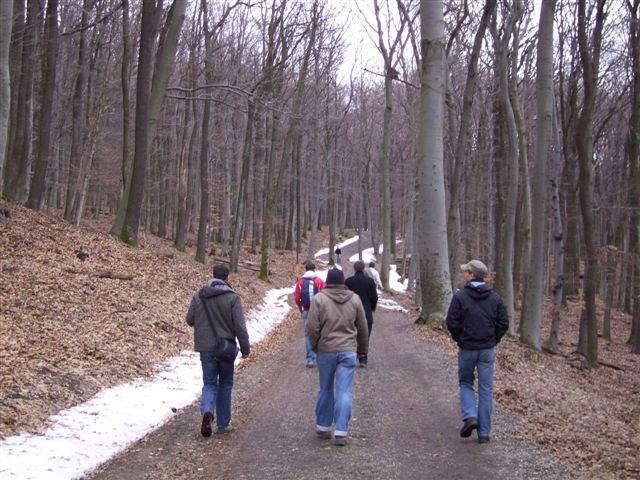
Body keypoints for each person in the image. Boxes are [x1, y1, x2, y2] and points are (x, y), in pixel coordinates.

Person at [445, 260, 509, 444]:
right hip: (487, 349)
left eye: (466, 271)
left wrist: (460, 338)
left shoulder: (460, 297)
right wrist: (493, 339)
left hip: (467, 348)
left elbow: (452, 322)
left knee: (466, 382)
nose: (463, 273)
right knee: (486, 389)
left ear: (472, 275)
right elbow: (503, 323)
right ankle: (484, 433)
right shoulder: (495, 298)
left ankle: (470, 416)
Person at [186, 264, 250, 437]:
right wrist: (245, 348)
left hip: (205, 347)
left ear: (213, 276)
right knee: (226, 383)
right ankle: (223, 423)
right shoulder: (232, 297)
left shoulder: (199, 295)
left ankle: (208, 411)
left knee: (209, 383)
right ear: (227, 278)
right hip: (226, 348)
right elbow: (240, 327)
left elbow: (189, 319)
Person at [306, 268, 368, 446]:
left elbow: (312, 327)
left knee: (325, 388)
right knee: (344, 390)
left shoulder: (319, 299)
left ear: (327, 281)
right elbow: (363, 327)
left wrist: (316, 346)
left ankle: (324, 427)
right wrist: (362, 350)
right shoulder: (354, 299)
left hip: (326, 350)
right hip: (348, 350)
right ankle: (341, 431)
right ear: (343, 282)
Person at [345, 260, 378, 367]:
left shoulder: (348, 281)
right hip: (366, 312)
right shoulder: (370, 281)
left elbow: (344, 297)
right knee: (365, 335)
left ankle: (350, 356)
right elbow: (374, 297)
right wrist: (372, 307)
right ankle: (363, 358)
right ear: (363, 269)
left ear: (354, 268)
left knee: (350, 335)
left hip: (351, 313)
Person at [294, 261, 326, 367]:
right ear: (314, 269)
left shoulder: (300, 282)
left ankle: (310, 359)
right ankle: (321, 358)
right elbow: (325, 297)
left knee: (308, 335)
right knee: (320, 333)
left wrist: (301, 309)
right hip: (319, 312)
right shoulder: (320, 281)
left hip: (306, 311)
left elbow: (297, 298)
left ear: (306, 270)